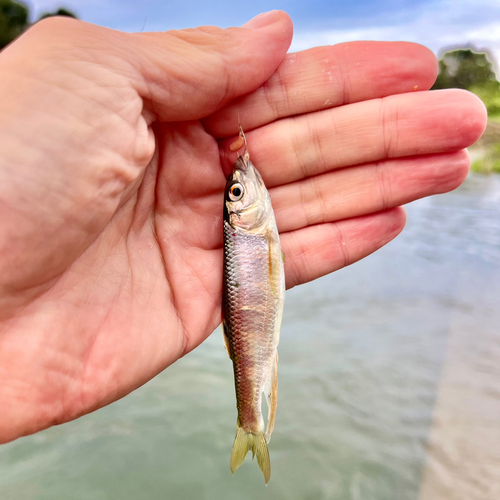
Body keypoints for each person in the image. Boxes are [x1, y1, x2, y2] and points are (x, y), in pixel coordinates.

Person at [0, 11, 486, 443]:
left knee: (258, 355)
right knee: (259, 362)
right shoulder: (251, 224)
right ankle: (250, 423)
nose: (241, 190)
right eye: (236, 194)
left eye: (236, 193)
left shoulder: (247, 223)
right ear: (239, 212)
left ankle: (252, 422)